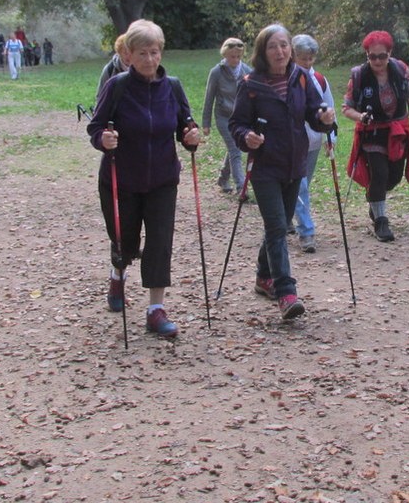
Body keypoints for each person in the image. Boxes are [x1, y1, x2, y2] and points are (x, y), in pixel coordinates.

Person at [87, 19, 201, 339]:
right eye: (142, 53)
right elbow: (95, 127)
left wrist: (190, 136)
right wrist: (103, 140)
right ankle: (118, 272)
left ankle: (155, 310)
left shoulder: (173, 87)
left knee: (160, 241)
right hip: (121, 177)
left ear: (161, 52)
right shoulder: (118, 86)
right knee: (126, 241)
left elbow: (184, 126)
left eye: (154, 52)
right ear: (129, 54)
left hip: (163, 178)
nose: (149, 60)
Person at [229, 24, 336, 320]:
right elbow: (237, 124)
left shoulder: (301, 79)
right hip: (265, 167)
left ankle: (264, 276)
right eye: (273, 46)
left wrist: (324, 118)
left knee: (279, 223)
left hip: (295, 164)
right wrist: (246, 136)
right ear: (263, 52)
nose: (280, 51)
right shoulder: (251, 84)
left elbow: (316, 115)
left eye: (284, 45)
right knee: (278, 228)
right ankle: (286, 292)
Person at [342, 31, 409, 242]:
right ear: (367, 55)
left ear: (390, 53)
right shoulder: (359, 75)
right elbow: (347, 108)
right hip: (372, 132)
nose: (377, 61)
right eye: (372, 56)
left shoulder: (401, 69)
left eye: (382, 56)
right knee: (379, 173)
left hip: (397, 132)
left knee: (393, 177)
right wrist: (361, 116)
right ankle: (381, 221)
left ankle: (374, 200)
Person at [290, 34, 334, 253]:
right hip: (295, 141)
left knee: (302, 183)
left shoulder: (319, 79)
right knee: (301, 186)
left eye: (310, 58)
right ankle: (306, 231)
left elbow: (329, 109)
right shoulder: (288, 78)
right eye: (302, 58)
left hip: (314, 140)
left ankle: (286, 216)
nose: (307, 63)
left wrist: (331, 138)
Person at [202, 37, 252, 195]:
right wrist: (206, 123)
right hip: (223, 117)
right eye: (232, 57)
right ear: (225, 55)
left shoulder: (247, 71)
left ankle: (223, 178)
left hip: (240, 118)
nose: (235, 60)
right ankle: (240, 187)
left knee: (233, 148)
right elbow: (209, 98)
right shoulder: (216, 72)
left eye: (239, 56)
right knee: (235, 149)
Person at [96, 34, 130, 106]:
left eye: (131, 52)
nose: (128, 56)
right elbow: (101, 95)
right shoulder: (109, 69)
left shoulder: (142, 67)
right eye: (125, 52)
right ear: (119, 53)